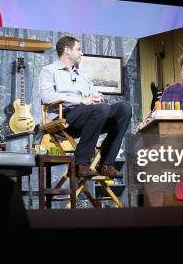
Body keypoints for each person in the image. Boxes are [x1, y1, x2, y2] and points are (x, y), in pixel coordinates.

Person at [39, 36, 131, 178]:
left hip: (91, 116)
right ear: (67, 50)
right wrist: (81, 100)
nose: (81, 53)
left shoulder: (83, 75)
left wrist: (98, 98)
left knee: (124, 108)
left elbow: (92, 95)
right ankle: (80, 163)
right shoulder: (49, 70)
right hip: (65, 116)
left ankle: (107, 164)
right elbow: (47, 97)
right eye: (78, 49)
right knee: (100, 109)